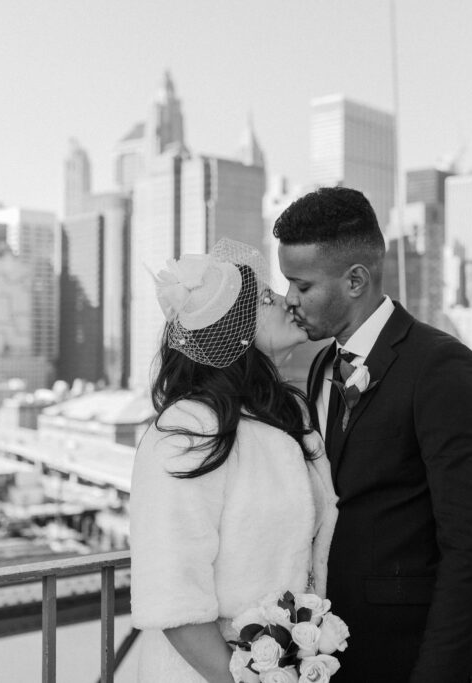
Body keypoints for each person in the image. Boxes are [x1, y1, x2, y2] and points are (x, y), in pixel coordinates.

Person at [274, 187, 472, 682]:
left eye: (302, 285)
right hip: (332, 656)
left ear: (356, 279)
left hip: (408, 658)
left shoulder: (444, 368)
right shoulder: (319, 366)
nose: (289, 300)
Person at [129, 239, 338, 683]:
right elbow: (173, 595)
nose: (287, 301)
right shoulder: (185, 431)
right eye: (267, 298)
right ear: (234, 328)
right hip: (204, 674)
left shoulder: (285, 418)